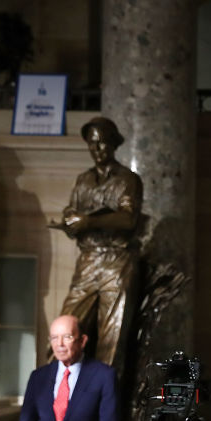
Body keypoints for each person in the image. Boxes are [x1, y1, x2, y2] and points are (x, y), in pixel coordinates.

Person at [50, 116, 142, 381]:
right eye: (92, 144)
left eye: (102, 143)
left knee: (111, 339)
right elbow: (74, 212)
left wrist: (89, 221)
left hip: (117, 260)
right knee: (65, 328)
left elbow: (128, 219)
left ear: (113, 144)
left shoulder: (128, 179)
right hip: (88, 259)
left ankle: (102, 404)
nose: (97, 149)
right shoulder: (83, 180)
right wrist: (71, 222)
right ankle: (56, 394)